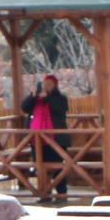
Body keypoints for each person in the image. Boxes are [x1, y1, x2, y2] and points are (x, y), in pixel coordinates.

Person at [21, 73, 70, 202]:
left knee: (58, 166)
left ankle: (61, 193)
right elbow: (24, 108)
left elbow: (60, 109)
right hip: (36, 139)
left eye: (49, 84)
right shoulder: (35, 99)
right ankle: (44, 193)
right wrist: (33, 96)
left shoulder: (60, 98)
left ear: (55, 86)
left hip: (55, 139)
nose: (46, 86)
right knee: (40, 167)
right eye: (44, 84)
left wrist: (47, 98)